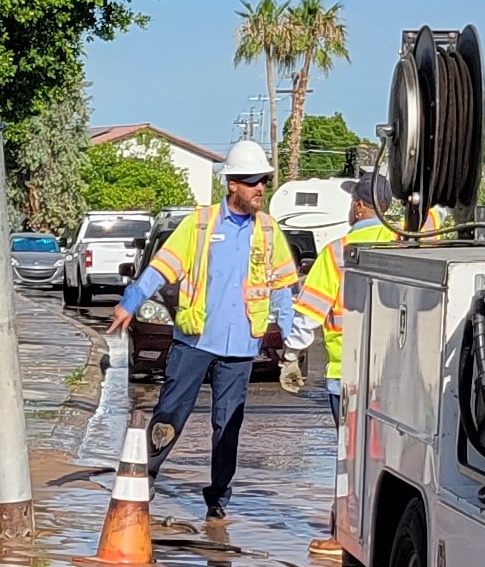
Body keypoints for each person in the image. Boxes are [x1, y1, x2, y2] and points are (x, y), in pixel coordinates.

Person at [109, 139, 298, 520]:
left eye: (263, 180)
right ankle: (144, 479)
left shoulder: (268, 231)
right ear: (232, 184)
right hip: (194, 342)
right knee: (170, 415)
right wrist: (130, 302)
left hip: (241, 348)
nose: (260, 187)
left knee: (228, 426)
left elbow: (282, 292)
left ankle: (217, 499)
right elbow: (161, 269)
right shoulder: (198, 224)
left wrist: (291, 351)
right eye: (251, 181)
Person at [280, 174, 397, 429]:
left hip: (347, 376)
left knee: (351, 459)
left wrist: (290, 356)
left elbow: (309, 314)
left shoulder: (337, 251)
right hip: (397, 377)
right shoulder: (405, 244)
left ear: (358, 206)